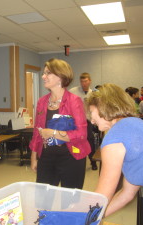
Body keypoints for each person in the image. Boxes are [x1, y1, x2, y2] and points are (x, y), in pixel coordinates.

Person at [87, 83, 143, 225]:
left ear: (103, 107)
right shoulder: (137, 125)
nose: (91, 120)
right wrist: (93, 220)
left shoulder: (114, 138)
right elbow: (126, 194)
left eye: (92, 112)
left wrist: (79, 220)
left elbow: (102, 196)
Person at [29, 58, 90, 189]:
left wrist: (53, 133)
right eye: (44, 73)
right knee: (43, 200)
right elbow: (36, 133)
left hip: (71, 156)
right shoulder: (42, 102)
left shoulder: (74, 101)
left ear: (60, 76)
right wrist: (34, 157)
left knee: (69, 202)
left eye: (48, 73)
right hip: (46, 157)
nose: (43, 76)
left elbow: (81, 134)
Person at [69, 72, 98, 170]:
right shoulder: (73, 91)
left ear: (90, 81)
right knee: (75, 140)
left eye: (85, 81)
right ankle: (76, 159)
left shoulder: (93, 93)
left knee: (90, 140)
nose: (83, 83)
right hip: (75, 121)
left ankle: (93, 161)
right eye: (82, 81)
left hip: (87, 121)